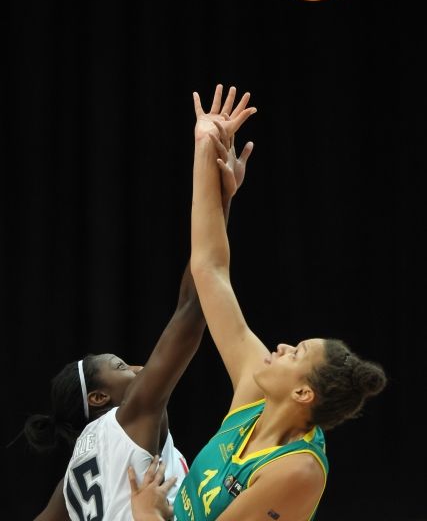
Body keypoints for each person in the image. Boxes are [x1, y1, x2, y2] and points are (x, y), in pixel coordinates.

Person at [134, 83, 387, 521]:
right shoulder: (257, 390)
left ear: (303, 391)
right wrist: (204, 149)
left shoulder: (298, 469)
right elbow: (209, 270)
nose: (284, 346)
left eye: (298, 352)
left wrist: (146, 513)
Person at [23, 87, 256, 521]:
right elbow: (195, 304)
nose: (137, 367)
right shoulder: (128, 418)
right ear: (99, 397)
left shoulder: (74, 473)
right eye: (120, 366)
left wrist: (222, 197)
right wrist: (210, 170)